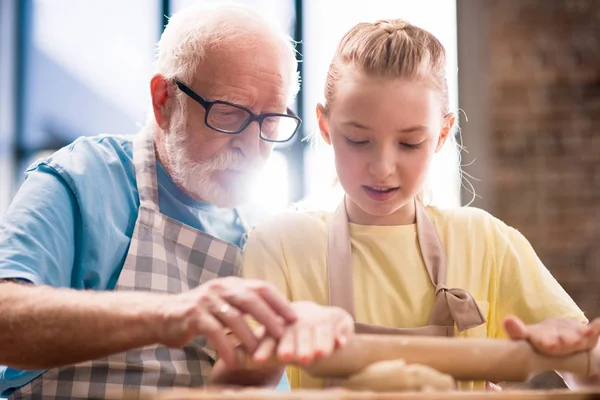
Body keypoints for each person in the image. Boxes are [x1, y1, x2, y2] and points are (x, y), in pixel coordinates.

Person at [0, 3, 353, 398]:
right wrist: (172, 314)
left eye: (270, 121)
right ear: (163, 99)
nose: (253, 148)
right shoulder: (86, 178)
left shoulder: (262, 235)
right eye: (229, 114)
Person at [242, 18, 600, 391]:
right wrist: (279, 339)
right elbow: (233, 388)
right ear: (325, 125)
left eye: (409, 143)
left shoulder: (484, 240)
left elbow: (589, 375)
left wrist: (575, 354)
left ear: (443, 133)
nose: (382, 168)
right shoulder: (280, 245)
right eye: (358, 140)